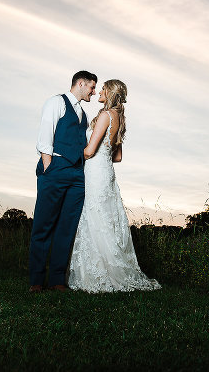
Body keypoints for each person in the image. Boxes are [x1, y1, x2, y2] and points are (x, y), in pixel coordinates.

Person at [67, 79, 161, 293]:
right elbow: (117, 157)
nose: (99, 91)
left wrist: (67, 155)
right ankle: (111, 270)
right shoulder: (120, 119)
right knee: (105, 219)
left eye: (103, 89)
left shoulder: (105, 115)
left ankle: (100, 275)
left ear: (110, 93)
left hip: (95, 172)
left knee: (95, 218)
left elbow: (89, 151)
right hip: (106, 172)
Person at [29, 70, 97, 293]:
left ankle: (57, 279)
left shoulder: (83, 114)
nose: (93, 92)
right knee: (43, 225)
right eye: (91, 87)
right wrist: (49, 166)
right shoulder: (56, 102)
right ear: (80, 83)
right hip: (56, 169)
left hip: (77, 175)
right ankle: (37, 281)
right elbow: (45, 136)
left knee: (67, 227)